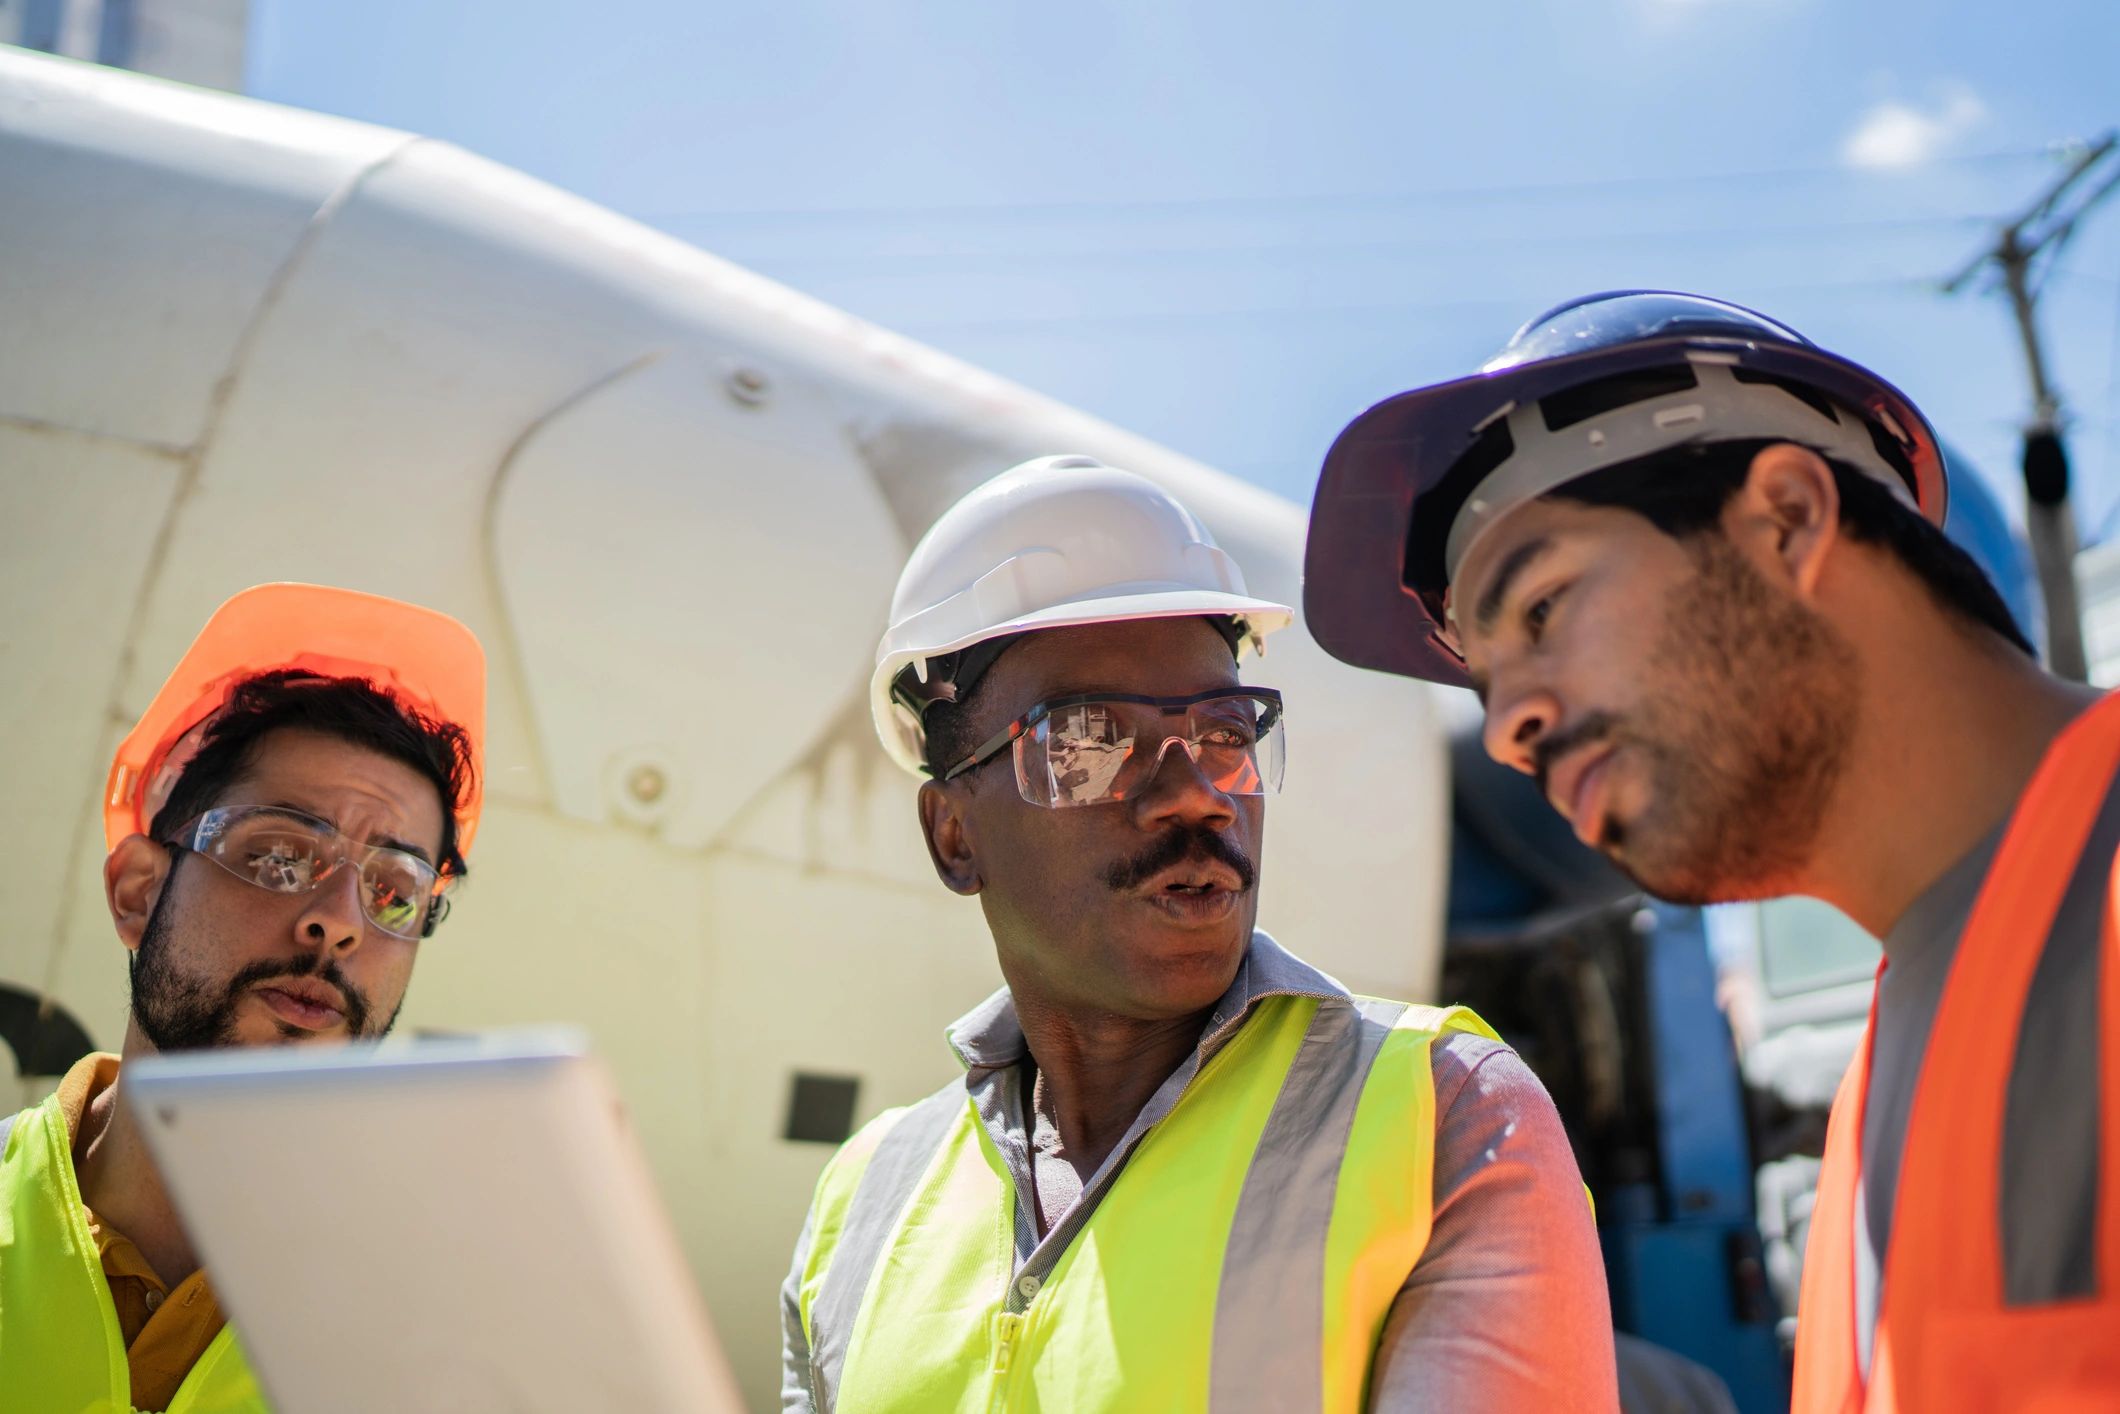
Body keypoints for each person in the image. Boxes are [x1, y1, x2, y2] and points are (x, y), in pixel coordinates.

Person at [1302, 291, 2120, 1411]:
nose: (1503, 732)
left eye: (1540, 605)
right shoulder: (1873, 1116)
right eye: (1486, 689)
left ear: (1784, 519)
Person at [780, 455, 1616, 1412]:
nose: (1195, 795)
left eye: (1226, 734)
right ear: (955, 835)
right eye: (1086, 740)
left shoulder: (1447, 1117)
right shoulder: (863, 1206)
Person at [0, 582, 484, 1413]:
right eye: (278, 858)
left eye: (395, 891)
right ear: (138, 896)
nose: (338, 925)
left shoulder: (455, 1336)